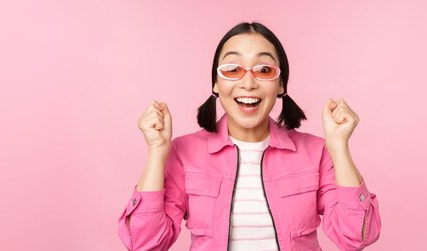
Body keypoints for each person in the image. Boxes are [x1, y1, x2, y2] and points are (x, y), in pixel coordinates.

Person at [117, 22, 381, 251]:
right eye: (232, 69)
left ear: (281, 85)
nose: (248, 82)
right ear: (215, 84)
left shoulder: (316, 151)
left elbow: (356, 237)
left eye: (264, 70)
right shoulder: (184, 153)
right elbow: (144, 243)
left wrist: (339, 147)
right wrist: (156, 151)